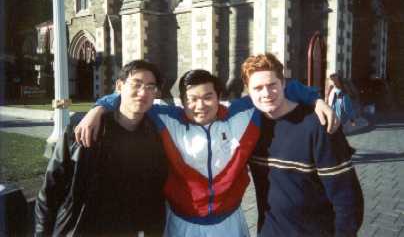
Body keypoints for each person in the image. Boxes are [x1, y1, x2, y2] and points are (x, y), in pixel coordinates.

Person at [75, 68, 337, 236]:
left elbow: (277, 86)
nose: (200, 105)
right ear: (181, 101)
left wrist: (315, 99)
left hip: (229, 223)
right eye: (192, 99)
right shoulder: (166, 118)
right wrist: (99, 107)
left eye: (207, 97)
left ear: (219, 96)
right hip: (182, 225)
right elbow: (132, 100)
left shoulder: (243, 114)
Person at [34, 60, 168, 236]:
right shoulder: (83, 129)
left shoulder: (156, 135)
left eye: (150, 87)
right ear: (119, 86)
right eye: (137, 84)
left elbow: (154, 194)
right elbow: (51, 189)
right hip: (81, 229)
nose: (143, 93)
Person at [241, 53, 364, 236]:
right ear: (248, 91)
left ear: (283, 84)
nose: (266, 93)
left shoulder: (319, 125)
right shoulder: (250, 125)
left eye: (272, 85)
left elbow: (347, 198)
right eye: (258, 88)